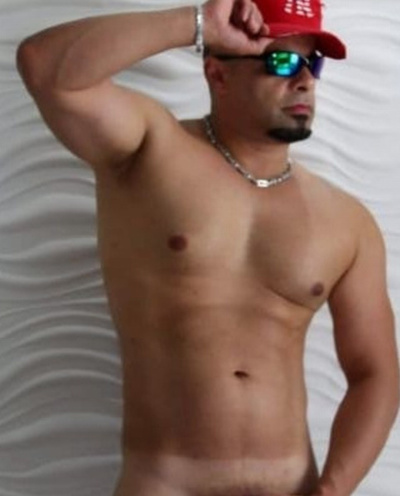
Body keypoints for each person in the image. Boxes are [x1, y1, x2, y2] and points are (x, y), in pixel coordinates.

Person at [16, 0, 399, 494]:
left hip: (293, 486)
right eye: (283, 61)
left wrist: (332, 489)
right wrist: (196, 24)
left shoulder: (346, 220)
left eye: (313, 63)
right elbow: (44, 68)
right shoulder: (150, 150)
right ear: (218, 73)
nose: (305, 80)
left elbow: (375, 373)